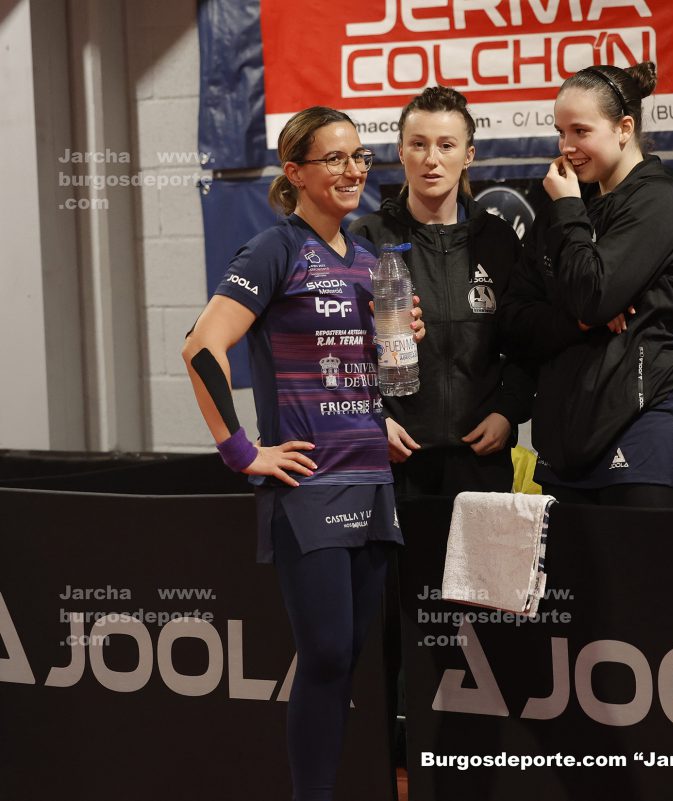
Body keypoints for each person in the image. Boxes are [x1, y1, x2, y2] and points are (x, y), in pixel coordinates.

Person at [181, 106, 424, 801]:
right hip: (310, 484)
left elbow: (363, 372)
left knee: (346, 661)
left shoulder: (373, 263)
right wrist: (241, 451)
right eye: (334, 159)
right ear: (295, 172)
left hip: (371, 479)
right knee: (323, 654)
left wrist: (391, 380)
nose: (353, 170)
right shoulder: (274, 249)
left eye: (359, 157)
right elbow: (201, 348)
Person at [501, 62, 673, 506]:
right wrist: (578, 322)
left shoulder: (657, 200)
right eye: (561, 132)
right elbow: (515, 317)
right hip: (564, 443)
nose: (566, 147)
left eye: (581, 131)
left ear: (624, 128)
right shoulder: (563, 204)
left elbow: (592, 295)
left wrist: (569, 210)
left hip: (639, 430)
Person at [350, 86, 532, 497]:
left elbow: (523, 342)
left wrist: (508, 412)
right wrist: (374, 419)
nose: (431, 159)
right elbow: (346, 346)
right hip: (398, 453)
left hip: (481, 453)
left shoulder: (498, 240)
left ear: (468, 155)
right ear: (401, 152)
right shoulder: (368, 238)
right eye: (418, 144)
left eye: (446, 145)